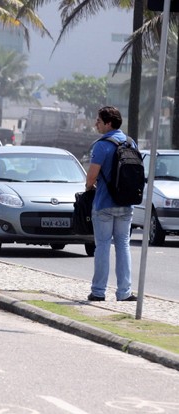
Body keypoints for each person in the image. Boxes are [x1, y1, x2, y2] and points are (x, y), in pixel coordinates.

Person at [85, 106, 137, 302]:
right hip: (127, 203)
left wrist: (89, 187)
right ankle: (124, 292)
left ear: (108, 123)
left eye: (98, 121)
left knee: (103, 246)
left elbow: (91, 177)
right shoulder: (131, 143)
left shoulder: (101, 145)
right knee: (123, 245)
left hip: (104, 204)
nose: (95, 124)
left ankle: (98, 292)